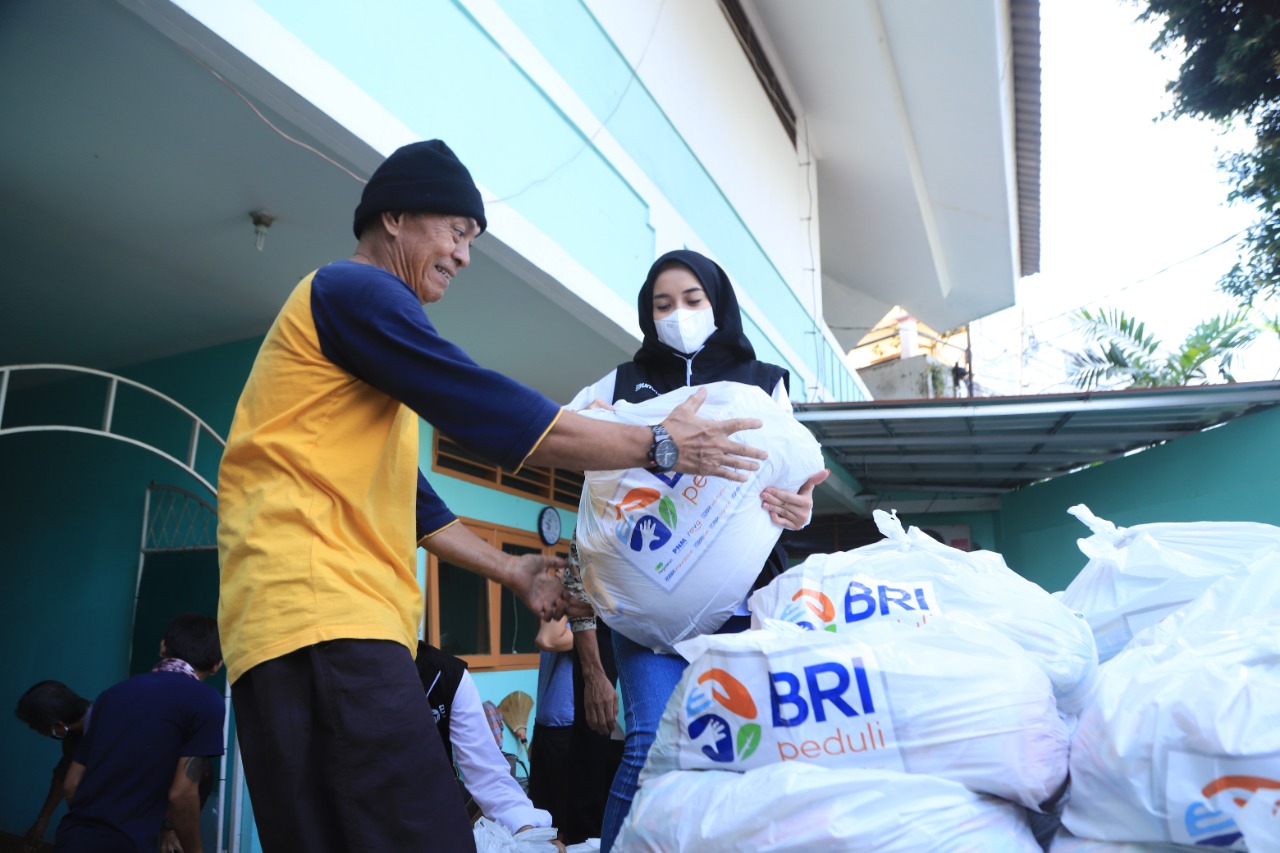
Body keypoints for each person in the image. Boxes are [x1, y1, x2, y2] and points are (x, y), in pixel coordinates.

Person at [216, 139, 768, 853]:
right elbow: (489, 410)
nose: (464, 254)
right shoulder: (358, 292)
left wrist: (511, 569)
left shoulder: (351, 350)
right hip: (324, 615)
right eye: (457, 230)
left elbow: (412, 500)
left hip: (295, 622)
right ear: (396, 217)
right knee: (424, 832)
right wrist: (656, 445)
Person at [562, 249, 830, 851]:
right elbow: (572, 440)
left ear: (717, 304)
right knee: (652, 740)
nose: (676, 314)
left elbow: (791, 478)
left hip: (742, 604)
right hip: (645, 611)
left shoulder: (763, 382)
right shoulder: (623, 383)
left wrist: (800, 510)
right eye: (662, 305)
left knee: (738, 746)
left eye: (691, 301)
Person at [54, 613, 224, 853]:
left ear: (163, 647)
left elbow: (71, 783)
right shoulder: (205, 701)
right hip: (130, 842)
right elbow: (182, 795)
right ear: (217, 664)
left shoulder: (111, 695)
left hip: (74, 836)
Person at [413, 641, 565, 852]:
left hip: (431, 825)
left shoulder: (446, 674)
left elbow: (488, 774)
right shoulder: (353, 677)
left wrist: (531, 836)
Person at [14, 681, 92, 852]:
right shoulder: (71, 732)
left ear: (56, 724)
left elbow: (70, 784)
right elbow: (63, 773)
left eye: (35, 725)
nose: (34, 730)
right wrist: (43, 820)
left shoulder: (105, 725)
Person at [526, 618, 575, 843]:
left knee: (562, 829)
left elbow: (546, 639)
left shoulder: (583, 627)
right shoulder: (560, 624)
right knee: (541, 824)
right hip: (546, 728)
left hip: (568, 732)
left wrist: (564, 586)